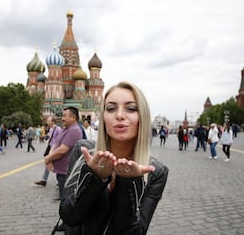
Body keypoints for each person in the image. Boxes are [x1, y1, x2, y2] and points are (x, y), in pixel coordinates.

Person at [59, 81, 168, 234]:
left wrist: (128, 183)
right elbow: (68, 216)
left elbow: (136, 232)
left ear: (142, 116)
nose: (119, 116)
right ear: (103, 117)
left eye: (131, 108)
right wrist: (95, 178)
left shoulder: (156, 172)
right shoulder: (84, 152)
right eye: (110, 108)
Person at [45, 106, 83, 232]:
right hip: (61, 170)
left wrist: (48, 159)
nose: (62, 118)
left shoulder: (74, 131)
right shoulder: (67, 129)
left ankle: (69, 225)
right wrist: (50, 157)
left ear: (73, 117)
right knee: (63, 197)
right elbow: (56, 144)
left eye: (65, 115)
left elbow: (62, 150)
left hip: (67, 171)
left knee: (66, 199)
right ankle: (65, 222)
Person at [34, 116, 62, 186]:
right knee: (49, 163)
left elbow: (60, 139)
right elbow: (51, 137)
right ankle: (44, 180)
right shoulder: (51, 128)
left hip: (55, 149)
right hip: (50, 148)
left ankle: (61, 180)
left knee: (55, 164)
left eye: (49, 121)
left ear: (53, 122)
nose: (47, 122)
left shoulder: (58, 129)